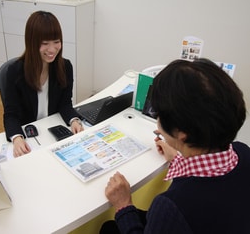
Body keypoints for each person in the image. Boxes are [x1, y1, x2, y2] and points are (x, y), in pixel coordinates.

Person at [100, 58, 250, 234]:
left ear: (181, 133)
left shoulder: (170, 206)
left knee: (110, 228)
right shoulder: (243, 151)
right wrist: (179, 156)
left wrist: (123, 205)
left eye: (159, 114)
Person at [3, 11, 83, 157]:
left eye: (56, 42)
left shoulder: (65, 67)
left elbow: (65, 103)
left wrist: (74, 120)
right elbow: (11, 114)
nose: (52, 49)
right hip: (30, 136)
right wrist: (17, 138)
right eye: (45, 43)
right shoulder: (15, 72)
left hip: (52, 132)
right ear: (31, 42)